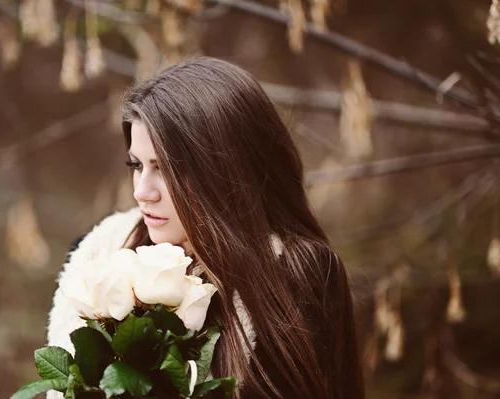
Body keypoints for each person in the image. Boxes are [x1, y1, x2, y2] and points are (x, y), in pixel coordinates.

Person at [46, 57, 365, 399]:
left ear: (225, 169)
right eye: (136, 165)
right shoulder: (98, 257)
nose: (142, 192)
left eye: (166, 169)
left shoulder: (296, 273)